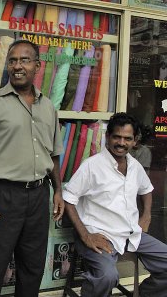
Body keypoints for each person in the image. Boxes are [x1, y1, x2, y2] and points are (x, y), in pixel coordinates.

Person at [0, 39, 65, 297]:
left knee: (32, 268)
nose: (17, 66)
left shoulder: (48, 107)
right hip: (1, 197)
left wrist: (58, 191)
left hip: (38, 196)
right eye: (12, 60)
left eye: (24, 60)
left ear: (37, 66)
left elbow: (53, 153)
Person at [63, 112, 167, 297]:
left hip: (130, 233)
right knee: (107, 277)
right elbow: (68, 199)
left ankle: (145, 294)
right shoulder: (91, 166)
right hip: (100, 234)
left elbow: (146, 190)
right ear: (107, 137)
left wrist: (146, 215)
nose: (121, 143)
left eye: (127, 138)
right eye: (117, 137)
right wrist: (85, 235)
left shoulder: (134, 166)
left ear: (135, 141)